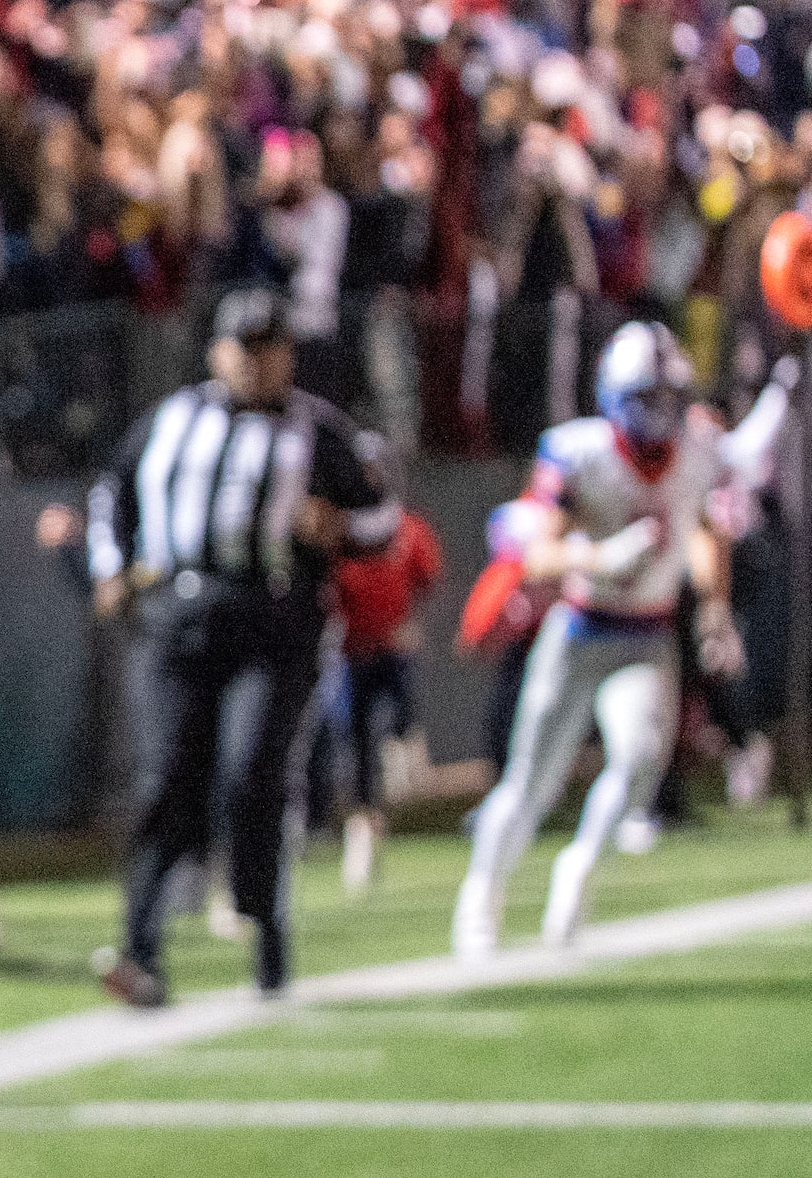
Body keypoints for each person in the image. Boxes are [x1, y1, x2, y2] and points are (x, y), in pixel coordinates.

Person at [88, 288, 401, 1006]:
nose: (258, 362)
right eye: (245, 346)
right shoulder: (169, 419)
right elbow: (111, 491)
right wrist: (110, 566)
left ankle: (265, 932)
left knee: (249, 774)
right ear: (216, 351)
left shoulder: (317, 430)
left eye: (271, 346)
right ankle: (140, 950)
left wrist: (341, 528)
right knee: (163, 779)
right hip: (175, 616)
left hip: (273, 620)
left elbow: (382, 514)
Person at [453, 324, 785, 955]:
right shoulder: (578, 452)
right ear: (612, 394)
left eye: (667, 396)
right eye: (644, 397)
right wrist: (602, 556)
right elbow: (535, 553)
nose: (658, 413)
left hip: (647, 632)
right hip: (579, 630)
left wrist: (713, 607)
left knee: (638, 762)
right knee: (530, 783)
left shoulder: (698, 450)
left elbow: (707, 528)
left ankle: (578, 866)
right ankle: (482, 895)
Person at [327, 494, 441, 897]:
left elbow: (425, 577)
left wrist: (408, 620)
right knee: (353, 740)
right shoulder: (334, 528)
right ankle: (363, 825)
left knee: (400, 722)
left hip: (393, 646)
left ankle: (405, 783)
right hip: (350, 652)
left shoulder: (408, 528)